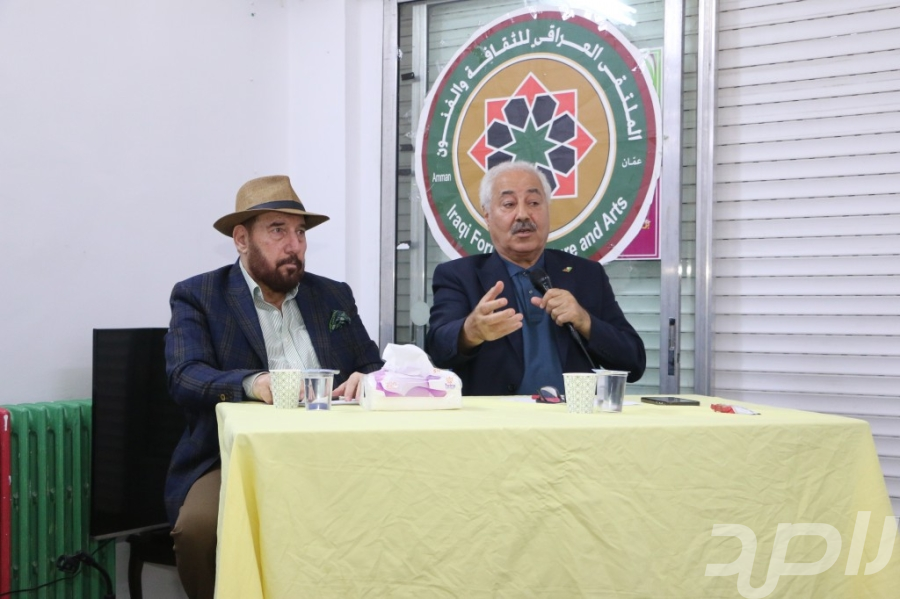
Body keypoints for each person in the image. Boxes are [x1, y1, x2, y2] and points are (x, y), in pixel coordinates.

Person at [163, 175, 382, 599]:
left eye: (300, 233)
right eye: (278, 231)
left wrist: (369, 380)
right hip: (233, 458)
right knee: (198, 531)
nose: (294, 245)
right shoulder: (200, 295)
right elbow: (185, 376)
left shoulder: (333, 296)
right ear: (241, 239)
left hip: (336, 453)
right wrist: (254, 383)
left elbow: (373, 367)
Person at [426, 161, 645, 396]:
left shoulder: (587, 275)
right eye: (509, 204)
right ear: (487, 216)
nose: (523, 214)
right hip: (496, 418)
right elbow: (437, 351)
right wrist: (470, 332)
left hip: (572, 416)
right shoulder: (459, 276)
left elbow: (633, 363)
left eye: (533, 203)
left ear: (547, 210)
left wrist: (585, 321)